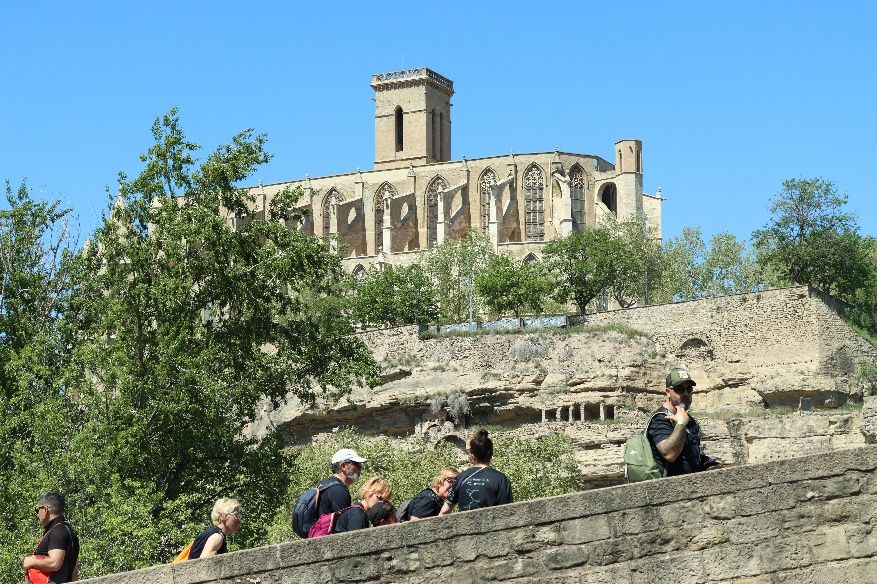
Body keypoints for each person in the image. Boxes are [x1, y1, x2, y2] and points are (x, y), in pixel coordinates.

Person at [647, 369, 720, 476]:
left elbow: (691, 454)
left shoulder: (688, 419)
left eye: (689, 389)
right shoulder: (660, 419)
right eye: (680, 389)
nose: (686, 393)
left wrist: (706, 462)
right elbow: (669, 454)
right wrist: (681, 424)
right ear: (668, 392)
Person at [439, 430, 512, 514]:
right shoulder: (501, 479)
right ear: (491, 454)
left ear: (472, 456)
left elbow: (444, 511)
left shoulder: (461, 477)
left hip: (465, 525)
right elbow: (507, 512)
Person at [23, 491, 79, 583]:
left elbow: (54, 563)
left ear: (45, 509)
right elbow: (74, 568)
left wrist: (31, 561)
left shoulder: (58, 531)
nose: (37, 514)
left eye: (37, 510)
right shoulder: (68, 530)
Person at [317, 448, 368, 516]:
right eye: (357, 464)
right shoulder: (339, 490)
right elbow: (344, 523)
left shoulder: (323, 484)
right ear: (343, 466)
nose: (360, 468)